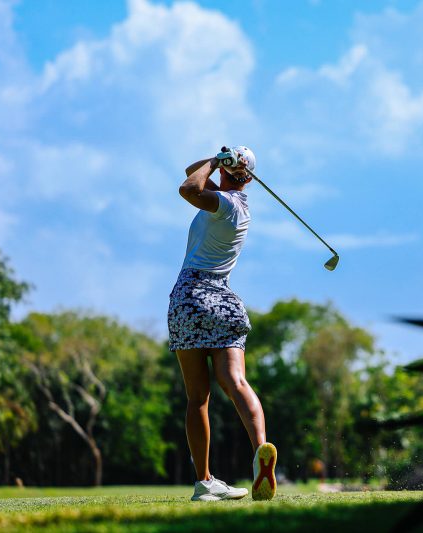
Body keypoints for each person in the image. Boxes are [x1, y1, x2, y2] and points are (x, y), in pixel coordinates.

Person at [168, 146, 277, 502]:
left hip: (188, 297)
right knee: (236, 381)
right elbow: (191, 171)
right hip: (221, 300)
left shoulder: (224, 204)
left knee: (197, 398)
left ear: (233, 174)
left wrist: (216, 161)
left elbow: (188, 187)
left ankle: (204, 482)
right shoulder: (238, 205)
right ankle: (261, 449)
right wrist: (220, 160)